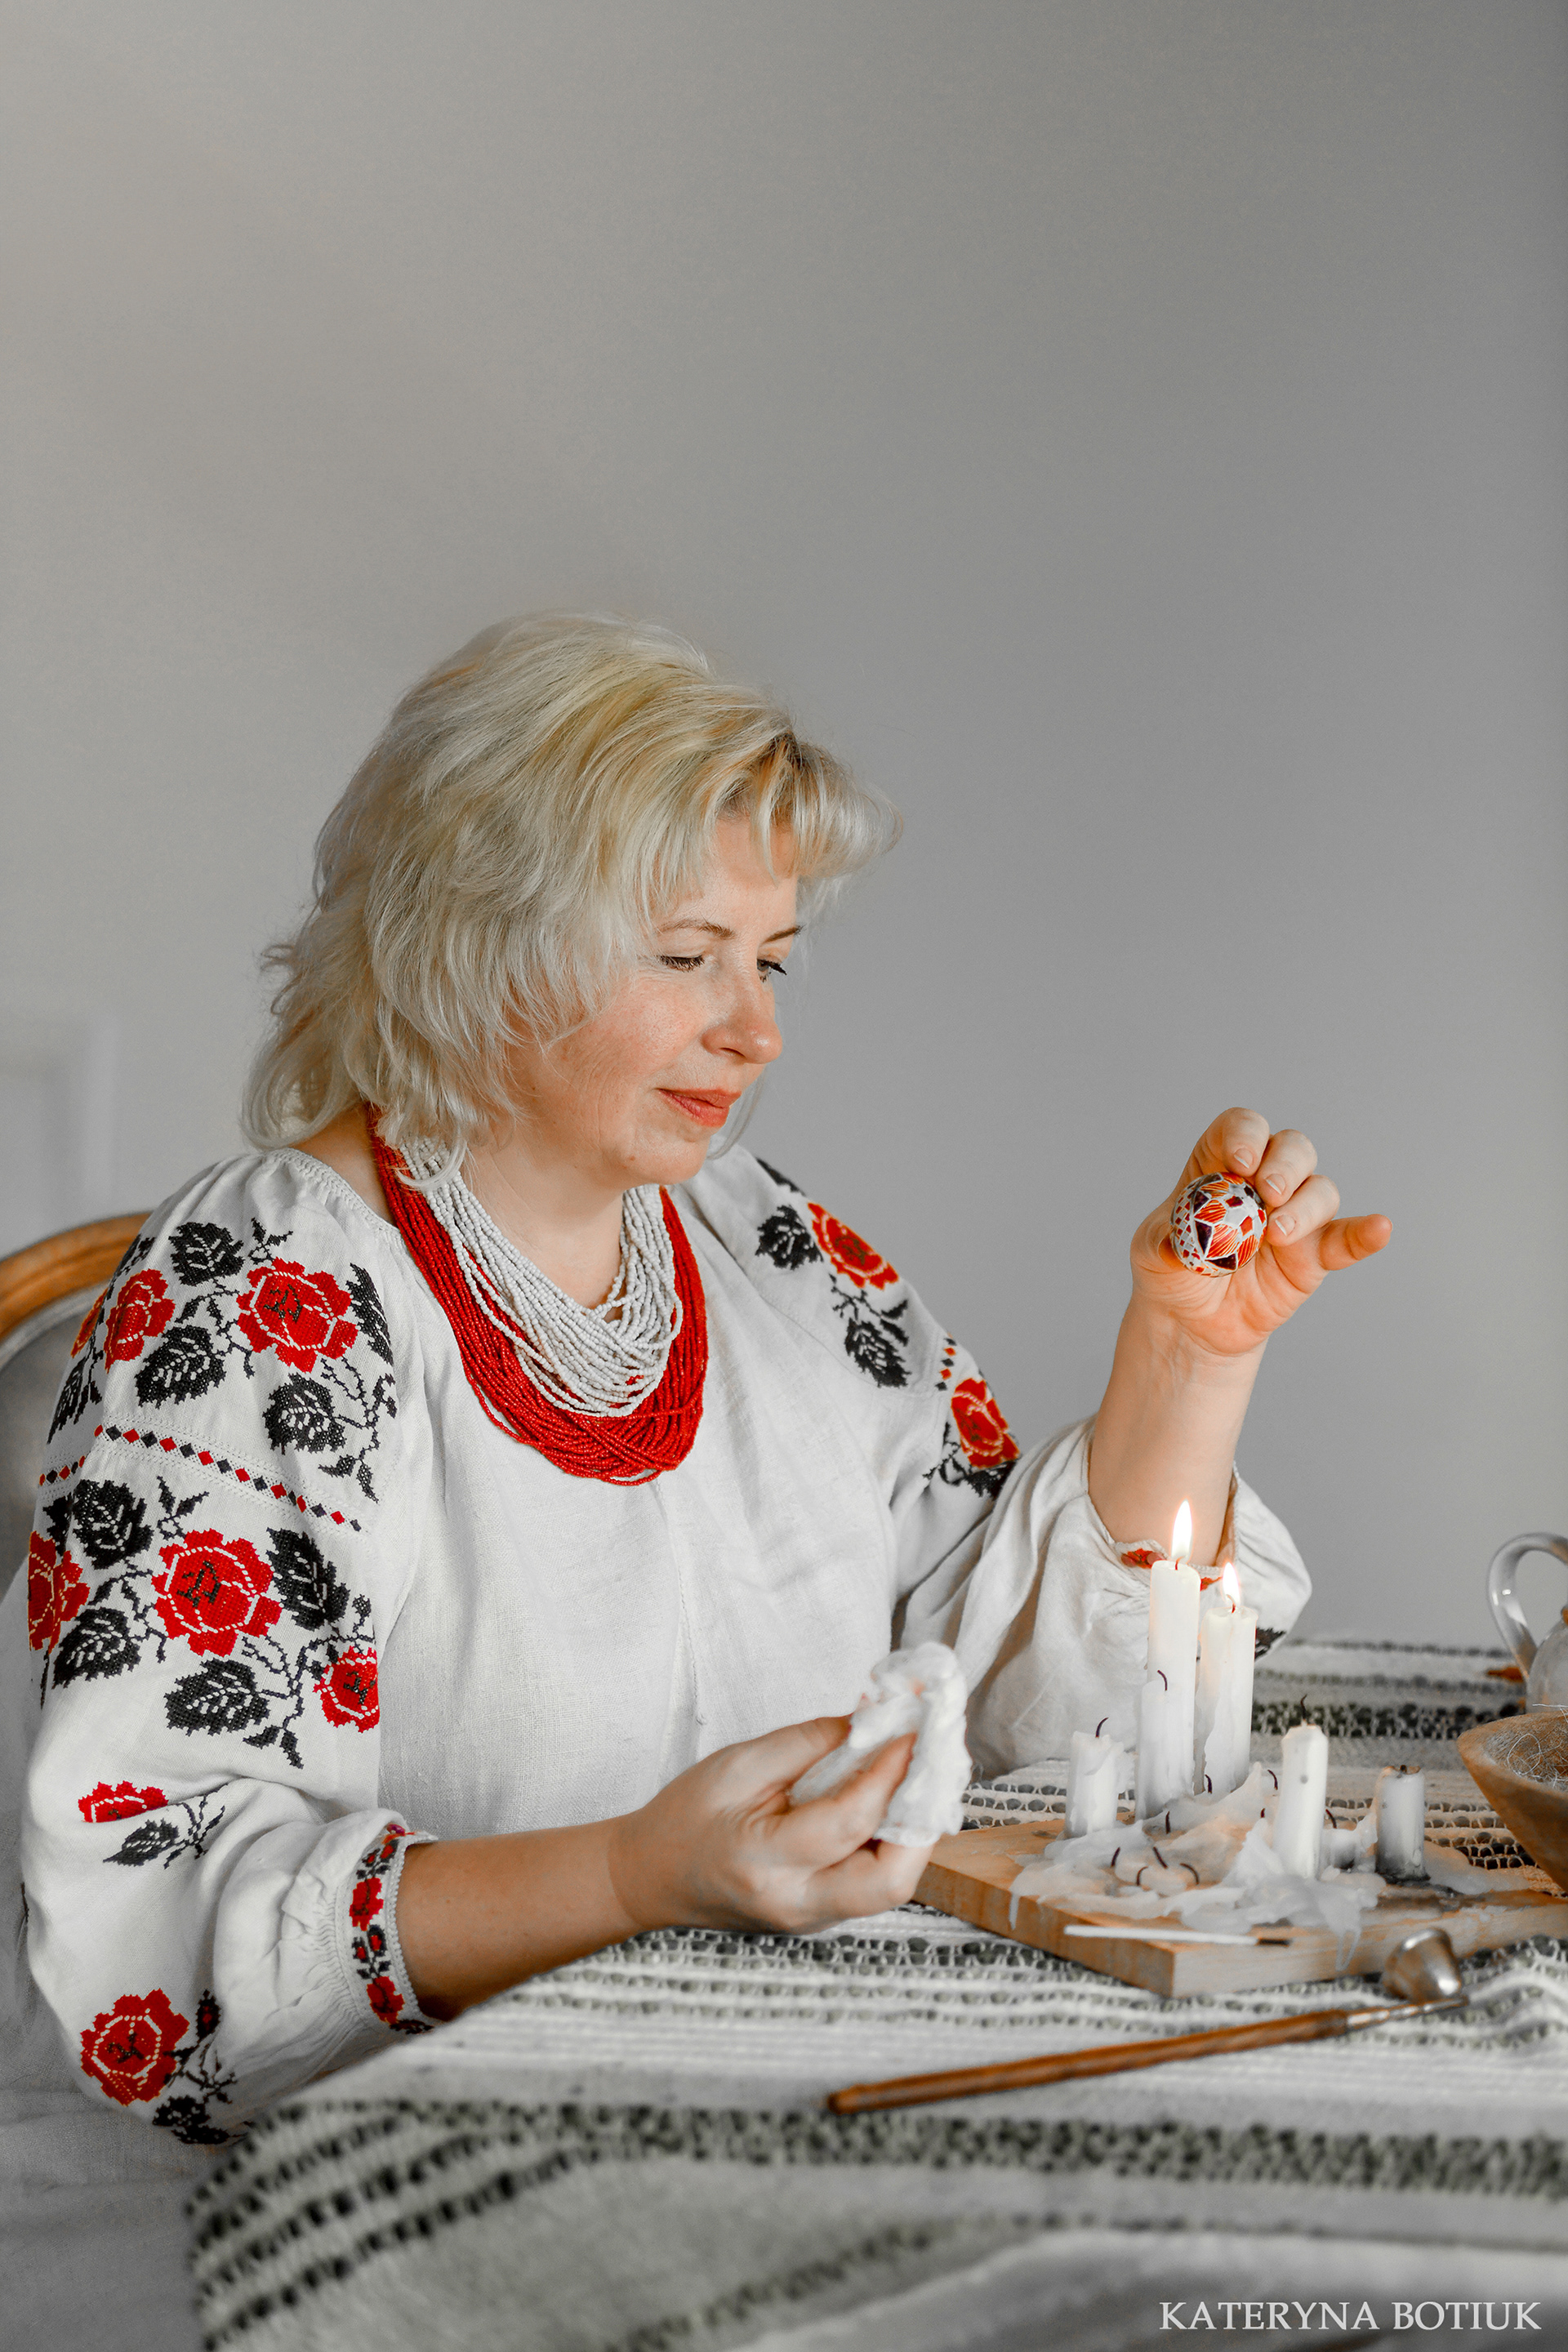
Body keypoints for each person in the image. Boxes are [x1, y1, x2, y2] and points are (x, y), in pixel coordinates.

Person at [5, 613, 1388, 2161]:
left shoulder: (766, 1249)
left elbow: (1028, 1712)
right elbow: (156, 1936)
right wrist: (629, 1877)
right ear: (474, 935)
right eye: (684, 958)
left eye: (771, 960)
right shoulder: (272, 1293)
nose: (759, 1030)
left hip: (753, 2111)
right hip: (362, 2173)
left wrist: (1189, 1356)